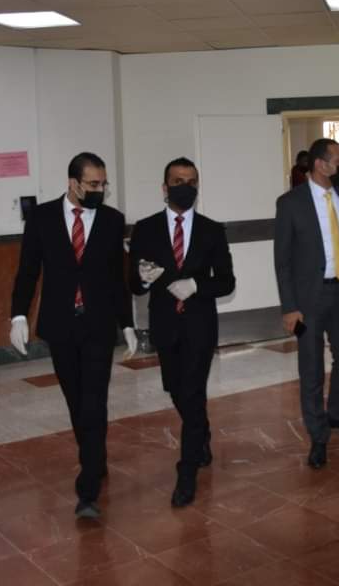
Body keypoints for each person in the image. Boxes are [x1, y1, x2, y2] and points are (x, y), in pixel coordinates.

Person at [9, 152, 136, 520]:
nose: (100, 190)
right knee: (76, 401)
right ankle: (95, 456)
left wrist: (127, 324)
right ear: (73, 183)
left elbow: (117, 278)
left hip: (98, 325)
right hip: (61, 325)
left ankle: (87, 490)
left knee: (94, 401)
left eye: (103, 184)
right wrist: (18, 315)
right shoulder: (42, 218)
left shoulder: (112, 220)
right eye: (93, 184)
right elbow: (28, 271)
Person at [128, 157, 235, 508]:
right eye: (178, 181)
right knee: (178, 391)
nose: (185, 187)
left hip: (199, 326)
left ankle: (186, 471)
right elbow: (134, 283)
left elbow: (226, 282)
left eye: (191, 182)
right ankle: (201, 431)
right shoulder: (145, 229)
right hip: (165, 325)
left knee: (191, 389)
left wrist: (196, 285)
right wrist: (143, 279)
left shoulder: (211, 230)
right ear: (165, 187)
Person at [274, 138, 339, 469]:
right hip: (307, 301)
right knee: (310, 366)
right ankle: (318, 434)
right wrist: (289, 307)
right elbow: (282, 260)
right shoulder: (290, 203)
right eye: (338, 160)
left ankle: (337, 411)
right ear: (319, 164)